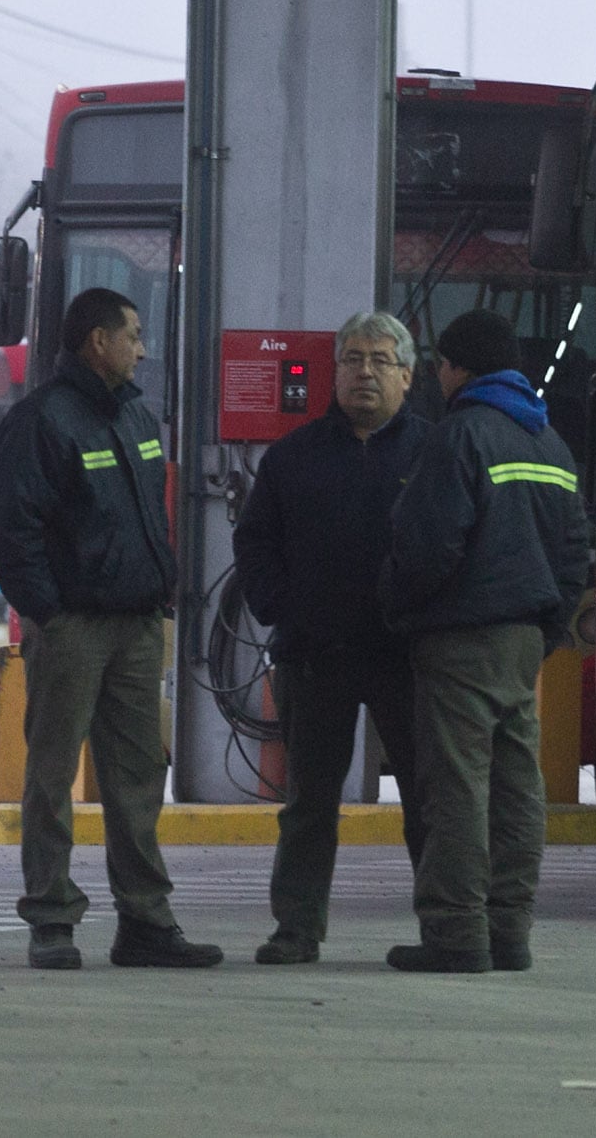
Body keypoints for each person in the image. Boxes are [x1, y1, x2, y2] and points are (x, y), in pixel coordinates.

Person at [0, 287, 222, 971]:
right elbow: (5, 531)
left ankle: (145, 922)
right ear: (98, 342)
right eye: (134, 335)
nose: (142, 348)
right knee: (52, 777)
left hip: (138, 627)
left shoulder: (138, 417)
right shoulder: (42, 422)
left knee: (138, 776)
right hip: (74, 628)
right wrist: (51, 613)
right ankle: (52, 919)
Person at [382, 309, 592, 974]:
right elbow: (574, 555)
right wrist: (547, 632)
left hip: (461, 640)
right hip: (524, 641)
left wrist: (394, 607)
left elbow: (427, 547)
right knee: (516, 789)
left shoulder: (461, 435)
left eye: (439, 366)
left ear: (455, 368)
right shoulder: (549, 443)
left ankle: (455, 933)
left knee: (457, 789)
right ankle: (509, 931)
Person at [231, 311, 431, 966]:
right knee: (309, 803)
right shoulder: (293, 456)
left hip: (408, 656)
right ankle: (296, 928)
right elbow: (254, 542)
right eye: (352, 359)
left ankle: (447, 922)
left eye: (379, 359)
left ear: (407, 373)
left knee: (430, 800)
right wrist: (281, 606)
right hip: (315, 655)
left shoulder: (435, 452)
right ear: (335, 371)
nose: (364, 372)